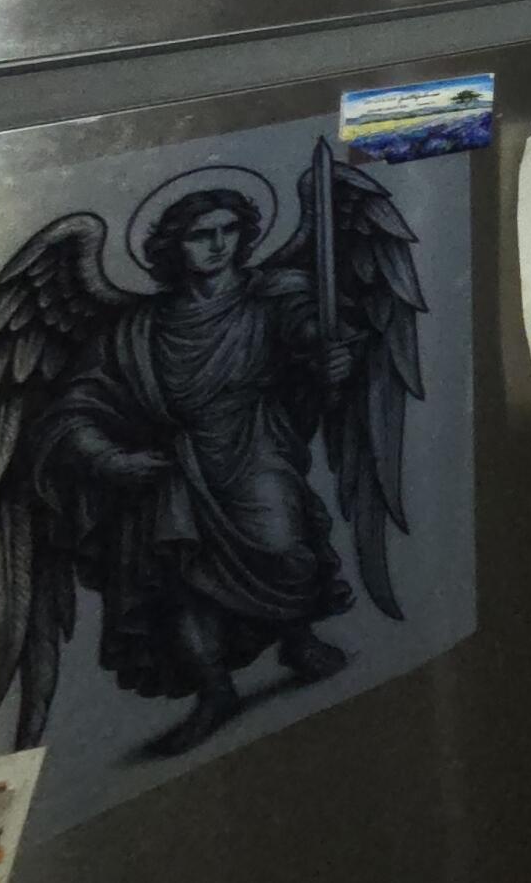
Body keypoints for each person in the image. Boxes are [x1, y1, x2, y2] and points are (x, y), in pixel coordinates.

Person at [21, 187, 358, 754]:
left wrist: (330, 359)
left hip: (254, 448)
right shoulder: (137, 330)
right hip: (175, 465)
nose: (218, 244)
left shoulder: (272, 296)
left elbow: (310, 336)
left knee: (285, 550)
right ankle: (215, 691)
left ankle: (298, 638)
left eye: (229, 230)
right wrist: (114, 459)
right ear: (172, 245)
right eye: (202, 234)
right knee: (183, 586)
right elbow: (76, 408)